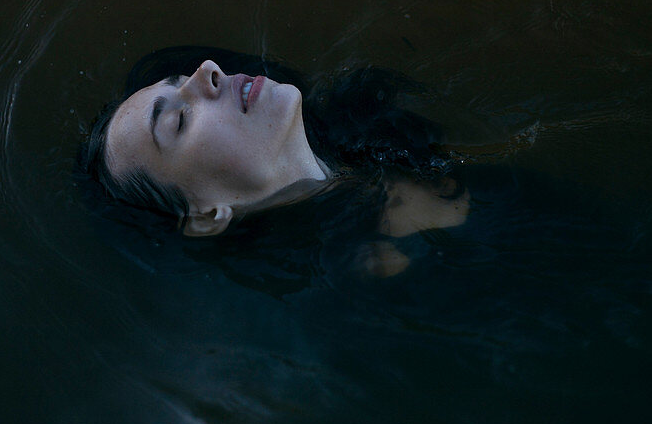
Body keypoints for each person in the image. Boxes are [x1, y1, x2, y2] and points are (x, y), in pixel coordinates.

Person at [82, 46, 469, 276]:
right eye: (179, 121)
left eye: (183, 77)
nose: (208, 71)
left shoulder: (396, 132)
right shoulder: (377, 270)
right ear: (207, 215)